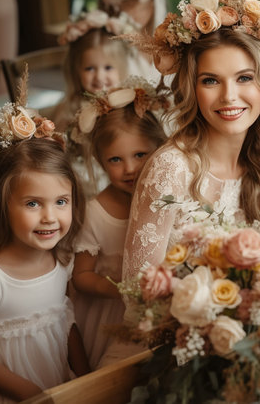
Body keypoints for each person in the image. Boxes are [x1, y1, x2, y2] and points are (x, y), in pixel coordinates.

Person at [122, 0, 260, 282]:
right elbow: (136, 288)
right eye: (210, 81)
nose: (228, 96)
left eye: (244, 78)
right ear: (191, 89)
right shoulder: (171, 169)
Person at [70, 78, 168, 370]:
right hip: (110, 314)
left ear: (160, 148)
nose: (130, 169)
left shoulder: (166, 199)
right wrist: (122, 290)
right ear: (100, 161)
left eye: (140, 154)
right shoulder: (94, 213)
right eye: (115, 159)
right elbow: (82, 276)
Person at [0, 96, 89, 401]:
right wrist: (33, 395)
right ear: (2, 206)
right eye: (33, 203)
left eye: (61, 202)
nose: (49, 217)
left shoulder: (62, 259)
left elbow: (66, 322)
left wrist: (86, 380)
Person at [52, 9, 136, 132]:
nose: (99, 77)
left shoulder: (130, 103)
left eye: (108, 68)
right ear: (76, 70)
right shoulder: (69, 111)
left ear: (121, 68)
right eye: (89, 68)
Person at [98, 0, 168, 84]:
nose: (128, 17)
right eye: (119, 11)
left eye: (136, 8)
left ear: (153, 4)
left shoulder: (171, 43)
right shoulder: (104, 49)